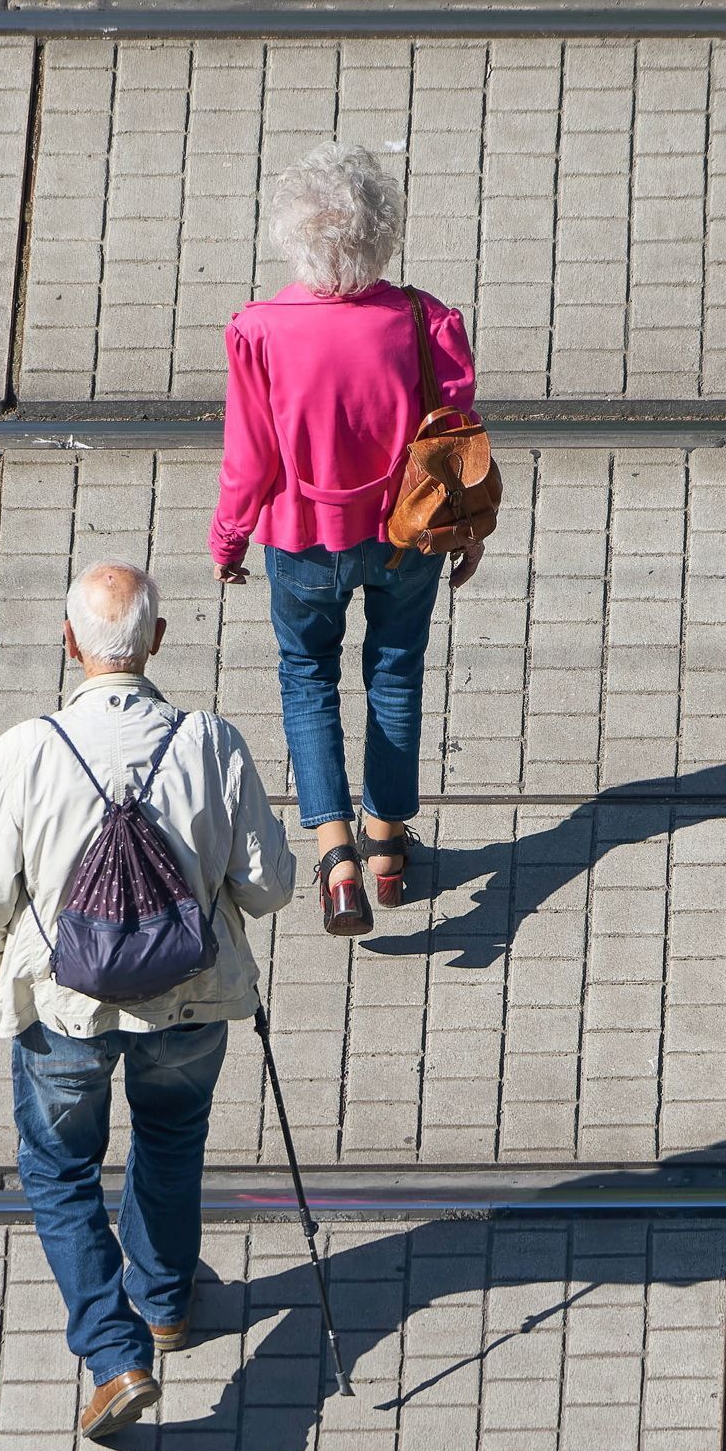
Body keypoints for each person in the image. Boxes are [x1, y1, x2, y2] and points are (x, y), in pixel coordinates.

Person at [0, 560, 297, 1445]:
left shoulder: (29, 749)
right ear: (158, 643)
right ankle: (167, 1300)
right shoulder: (212, 742)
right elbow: (267, 886)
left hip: (67, 1009)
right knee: (172, 1141)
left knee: (61, 1175)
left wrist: (12, 958)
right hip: (191, 999)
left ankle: (116, 1354)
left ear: (70, 645)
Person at [209, 140, 483, 940]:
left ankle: (335, 861)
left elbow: (249, 457)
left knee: (307, 678)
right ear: (383, 232)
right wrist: (466, 531)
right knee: (395, 675)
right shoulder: (426, 321)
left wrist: (229, 539)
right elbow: (458, 438)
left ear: (293, 238)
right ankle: (390, 846)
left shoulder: (259, 330)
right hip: (408, 536)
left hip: (301, 541)